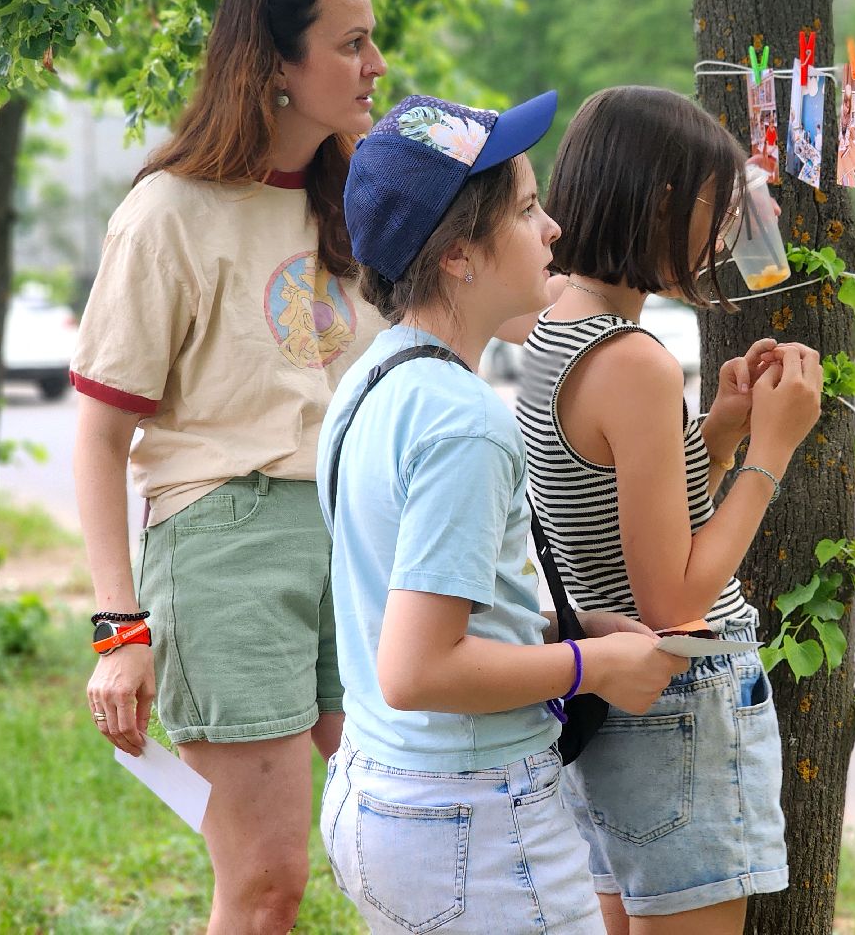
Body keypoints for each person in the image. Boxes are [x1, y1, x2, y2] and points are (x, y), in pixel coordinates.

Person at [72, 0, 395, 931]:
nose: (376, 65)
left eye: (374, 42)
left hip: (359, 541)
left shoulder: (362, 201)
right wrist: (118, 632)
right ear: (275, 68)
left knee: (402, 832)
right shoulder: (168, 214)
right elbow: (97, 437)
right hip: (227, 545)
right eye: (350, 44)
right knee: (265, 883)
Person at [317, 91, 686, 933]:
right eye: (525, 208)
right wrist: (590, 670)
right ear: (458, 256)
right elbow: (420, 670)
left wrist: (568, 625)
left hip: (380, 793)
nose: (553, 227)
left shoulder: (372, 382)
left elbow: (398, 601)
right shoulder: (464, 422)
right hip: (472, 821)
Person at [518, 85, 822, 933]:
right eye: (713, 211)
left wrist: (716, 435)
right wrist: (771, 449)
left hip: (614, 705)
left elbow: (616, 513)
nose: (723, 237)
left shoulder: (557, 326)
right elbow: (675, 601)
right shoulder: (632, 361)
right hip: (679, 697)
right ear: (660, 205)